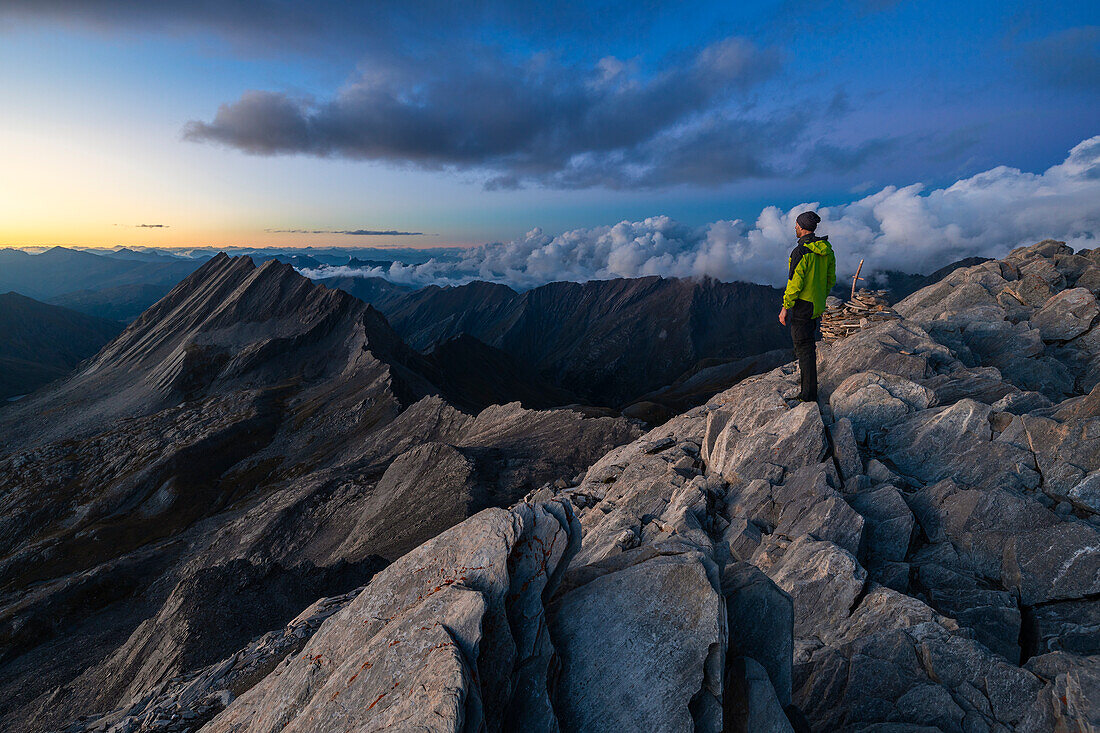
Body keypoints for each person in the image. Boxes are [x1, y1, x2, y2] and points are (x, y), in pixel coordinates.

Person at [778, 210, 836, 402]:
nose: (794, 227)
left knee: (803, 348)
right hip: (816, 305)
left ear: (802, 228)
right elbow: (830, 279)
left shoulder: (801, 252)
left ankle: (808, 395)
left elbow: (794, 283)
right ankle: (808, 389)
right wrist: (820, 297)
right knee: (808, 346)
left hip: (802, 306)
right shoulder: (826, 249)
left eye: (796, 224)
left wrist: (786, 307)